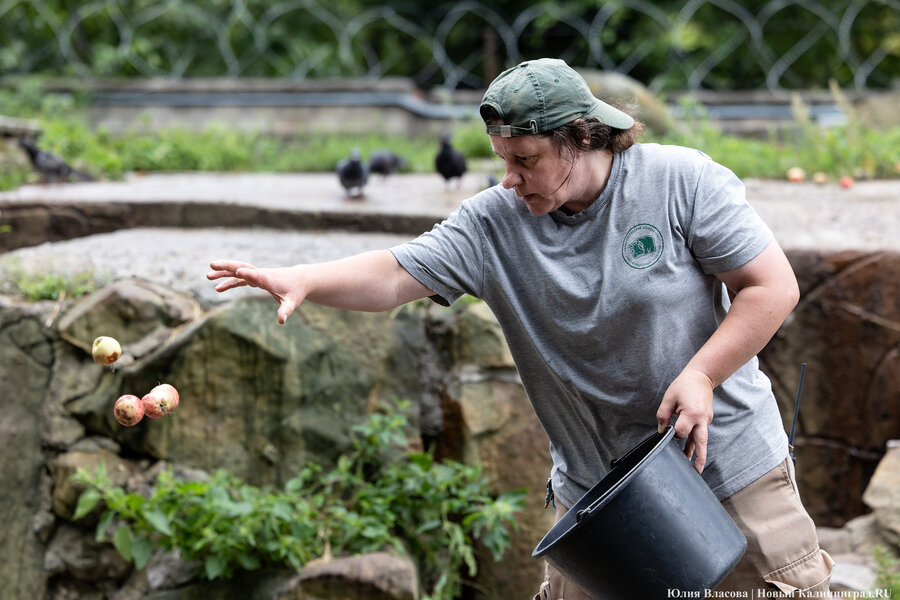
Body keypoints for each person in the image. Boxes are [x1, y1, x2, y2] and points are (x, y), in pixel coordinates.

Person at [207, 58, 834, 598]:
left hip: (725, 466)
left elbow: (772, 286)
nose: (508, 178)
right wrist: (307, 281)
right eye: (502, 159)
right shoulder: (493, 223)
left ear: (581, 138)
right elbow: (396, 274)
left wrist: (702, 374)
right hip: (603, 496)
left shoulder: (680, 182)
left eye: (525, 160)